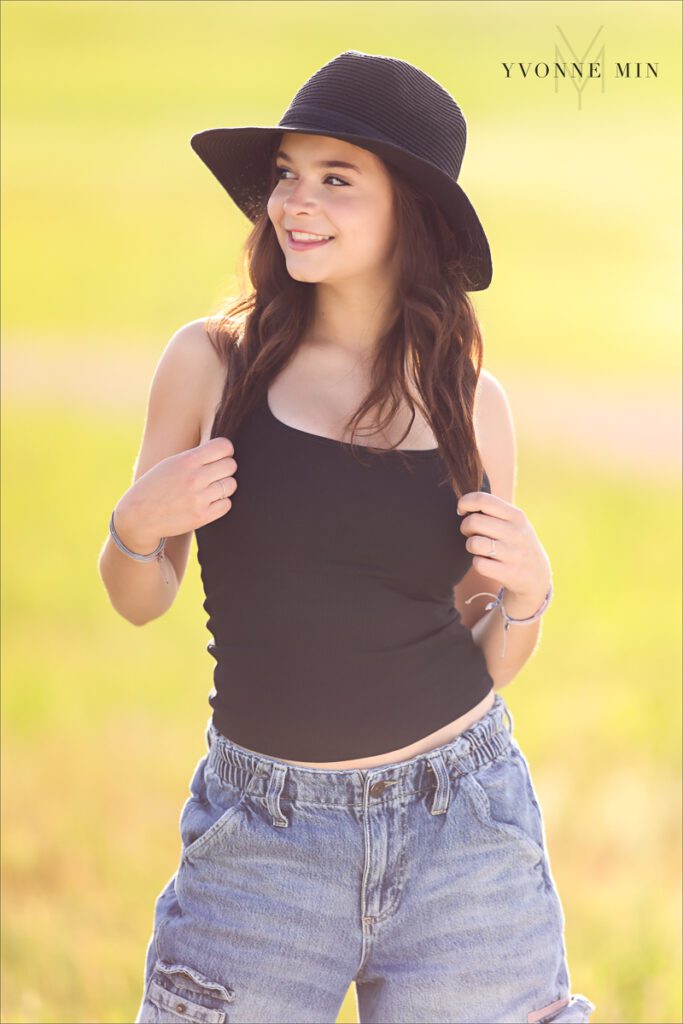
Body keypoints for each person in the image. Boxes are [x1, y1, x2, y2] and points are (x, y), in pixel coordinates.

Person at [99, 50, 595, 1024]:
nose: (295, 201)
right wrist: (134, 527)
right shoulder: (212, 365)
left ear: (409, 211)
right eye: (287, 173)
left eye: (336, 179)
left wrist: (529, 596)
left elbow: (484, 652)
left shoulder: (469, 406)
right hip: (265, 838)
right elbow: (140, 594)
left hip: (464, 829)